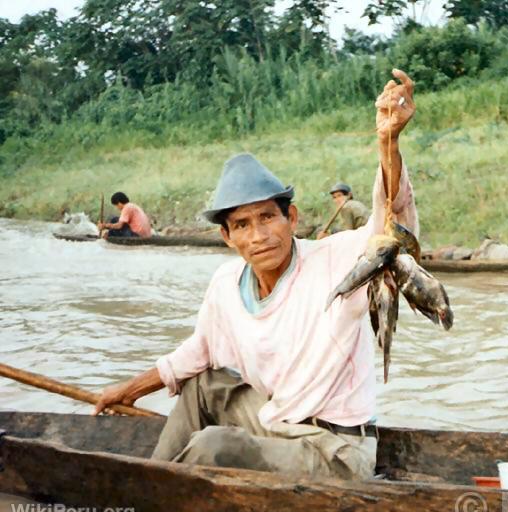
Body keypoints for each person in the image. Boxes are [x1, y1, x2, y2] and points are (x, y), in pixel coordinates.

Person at [92, 69, 419, 481]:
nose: (260, 235)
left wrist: (388, 143)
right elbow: (198, 353)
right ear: (227, 236)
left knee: (215, 446)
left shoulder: (338, 259)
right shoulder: (226, 284)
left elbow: (393, 228)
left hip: (335, 449)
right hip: (275, 422)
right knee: (204, 385)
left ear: (292, 218)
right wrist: (123, 391)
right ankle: (154, 479)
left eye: (268, 217)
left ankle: (153, 492)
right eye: (243, 225)